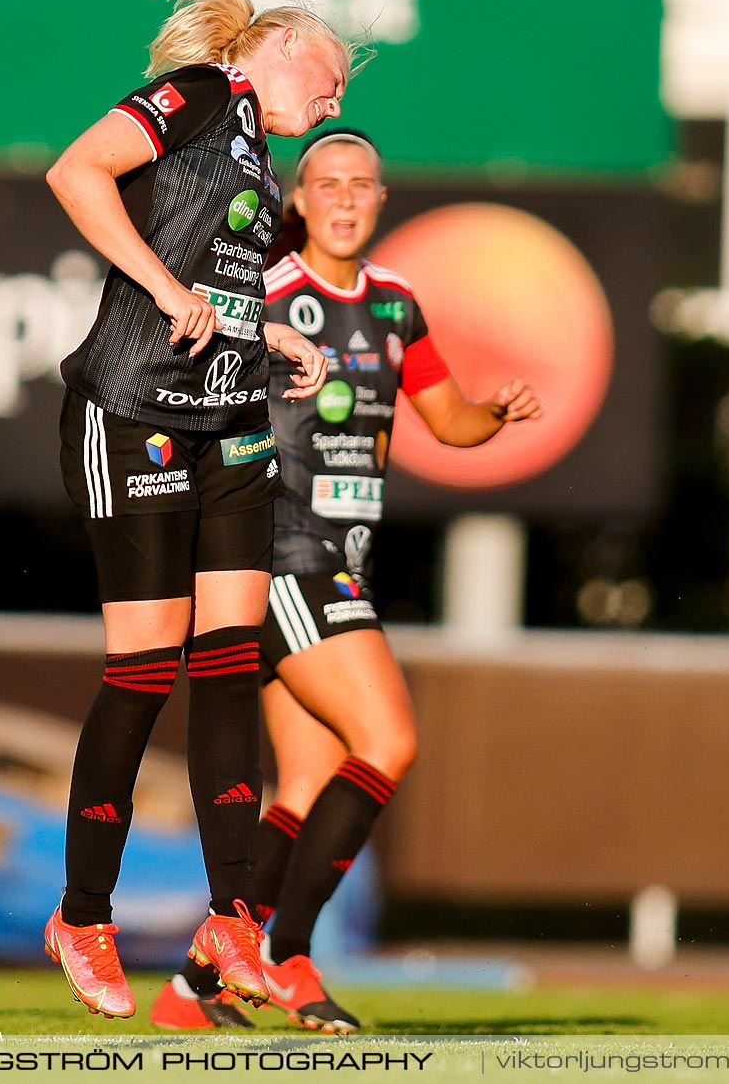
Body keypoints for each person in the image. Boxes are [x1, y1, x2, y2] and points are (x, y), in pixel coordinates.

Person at [151, 128, 541, 1033]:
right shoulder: (270, 294)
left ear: (381, 198)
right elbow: (190, 389)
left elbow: (447, 422)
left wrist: (494, 412)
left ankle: (194, 986)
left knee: (309, 778)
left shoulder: (397, 307)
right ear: (298, 199)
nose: (344, 198)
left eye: (361, 184)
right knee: (389, 739)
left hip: (341, 559)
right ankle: (285, 955)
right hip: (284, 552)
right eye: (327, 183)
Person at [42, 0, 347, 1019]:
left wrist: (267, 334)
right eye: (334, 77)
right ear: (283, 44)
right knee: (143, 668)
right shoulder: (213, 95)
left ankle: (234, 920)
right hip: (132, 409)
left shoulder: (263, 153)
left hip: (228, 418)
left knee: (228, 666)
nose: (337, 105)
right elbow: (77, 172)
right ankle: (83, 914)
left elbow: (216, 282)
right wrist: (166, 291)